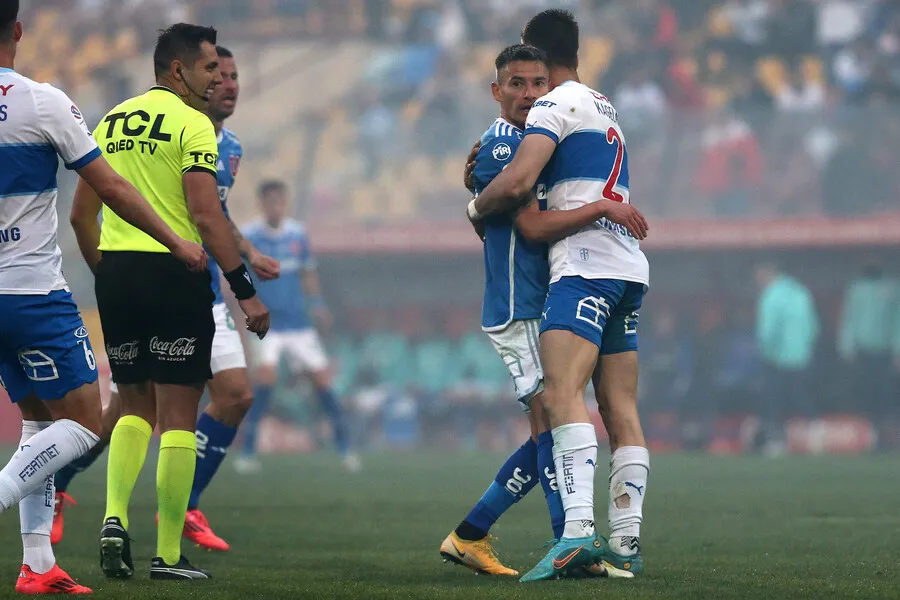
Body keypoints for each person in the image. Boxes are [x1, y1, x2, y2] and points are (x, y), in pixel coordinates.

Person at [0, 3, 207, 593]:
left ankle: (37, 566)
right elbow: (109, 186)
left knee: (38, 421)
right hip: (34, 295)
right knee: (88, 423)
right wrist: (174, 241)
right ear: (17, 30)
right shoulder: (43, 102)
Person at [58, 45, 279, 554]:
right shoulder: (188, 128)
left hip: (168, 279)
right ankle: (73, 487)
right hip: (183, 277)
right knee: (148, 408)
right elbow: (198, 216)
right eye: (216, 73)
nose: (227, 83)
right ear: (186, 74)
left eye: (233, 75)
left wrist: (247, 250)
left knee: (234, 394)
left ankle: (183, 503)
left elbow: (214, 211)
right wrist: (243, 284)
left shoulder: (231, 145)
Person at [467, 9, 651, 581]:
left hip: (584, 265)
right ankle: (625, 544)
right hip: (629, 268)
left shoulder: (554, 105)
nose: (530, 90)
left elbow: (521, 192)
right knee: (621, 409)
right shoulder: (605, 107)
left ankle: (573, 536)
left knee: (560, 396)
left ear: (534, 52)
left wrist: (475, 203)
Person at [236, 180, 360, 473]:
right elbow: (236, 276)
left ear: (285, 202)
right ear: (262, 203)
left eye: (279, 200)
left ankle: (345, 449)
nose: (275, 206)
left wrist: (317, 305)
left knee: (323, 382)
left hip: (298, 324)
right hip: (266, 324)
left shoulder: (297, 234)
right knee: (265, 380)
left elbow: (307, 274)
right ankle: (248, 452)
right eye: (270, 201)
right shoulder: (249, 236)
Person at [754, 263, 819, 454]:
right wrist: (806, 349)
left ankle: (775, 442)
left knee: (773, 400)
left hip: (777, 357)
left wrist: (766, 352)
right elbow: (814, 327)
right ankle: (817, 430)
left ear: (766, 274)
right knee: (799, 395)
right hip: (801, 356)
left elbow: (768, 330)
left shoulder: (771, 296)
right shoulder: (801, 293)